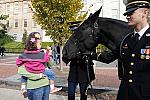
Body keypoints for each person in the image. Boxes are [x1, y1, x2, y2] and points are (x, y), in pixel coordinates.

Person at [97, 0, 150, 100]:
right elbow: (110, 57)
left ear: (145, 13)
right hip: (125, 94)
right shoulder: (126, 40)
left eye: (131, 13)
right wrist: (89, 54)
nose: (127, 16)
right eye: (127, 14)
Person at [16, 32, 62, 99]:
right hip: (35, 87)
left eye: (40, 38)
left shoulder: (42, 52)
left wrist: (49, 55)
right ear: (32, 41)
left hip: (46, 85)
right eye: (37, 38)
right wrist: (38, 75)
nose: (39, 40)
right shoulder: (26, 54)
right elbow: (21, 71)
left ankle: (23, 88)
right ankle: (24, 89)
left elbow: (51, 65)